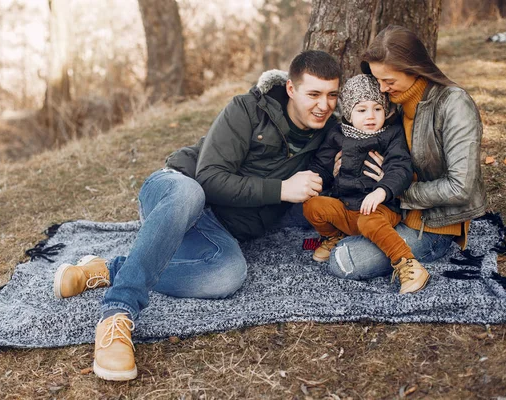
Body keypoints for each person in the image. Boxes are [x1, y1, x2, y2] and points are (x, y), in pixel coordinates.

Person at [52, 50, 342, 381]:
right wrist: (280, 189)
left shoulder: (329, 135)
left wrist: (338, 175)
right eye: (314, 94)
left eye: (332, 95)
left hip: (216, 229)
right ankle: (116, 314)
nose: (324, 104)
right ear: (291, 89)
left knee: (229, 274)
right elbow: (209, 178)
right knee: (192, 192)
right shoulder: (247, 109)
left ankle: (110, 268)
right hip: (176, 192)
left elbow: (319, 188)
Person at [319, 25, 486, 284]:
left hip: (432, 224)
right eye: (378, 81)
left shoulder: (454, 104)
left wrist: (394, 190)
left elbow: (460, 187)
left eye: (389, 81)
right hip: (387, 211)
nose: (382, 90)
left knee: (345, 259)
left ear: (414, 69)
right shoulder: (392, 111)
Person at [303, 74, 430, 294]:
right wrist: (315, 180)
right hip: (346, 207)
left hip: (380, 209)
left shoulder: (391, 135)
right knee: (312, 206)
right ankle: (334, 236)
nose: (370, 116)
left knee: (369, 221)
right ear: (349, 114)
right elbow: (322, 165)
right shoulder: (337, 134)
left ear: (386, 110)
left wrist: (382, 191)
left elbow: (400, 168)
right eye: (362, 110)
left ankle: (408, 263)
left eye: (377, 109)